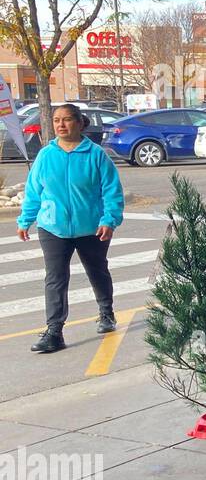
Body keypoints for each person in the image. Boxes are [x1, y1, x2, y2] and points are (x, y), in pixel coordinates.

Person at [16, 103, 125, 353]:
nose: (61, 125)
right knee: (55, 278)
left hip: (92, 228)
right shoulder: (46, 155)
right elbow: (34, 191)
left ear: (79, 122)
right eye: (56, 121)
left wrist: (109, 220)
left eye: (66, 120)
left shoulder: (96, 155)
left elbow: (112, 192)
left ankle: (106, 313)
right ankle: (54, 331)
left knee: (97, 271)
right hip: (53, 227)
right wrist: (25, 220)